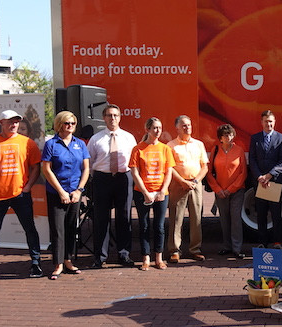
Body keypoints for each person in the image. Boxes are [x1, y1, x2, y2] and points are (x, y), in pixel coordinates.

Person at [0, 110, 43, 283]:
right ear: (1, 123)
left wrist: (27, 187)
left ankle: (35, 263)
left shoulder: (28, 143)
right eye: (10, 122)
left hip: (21, 194)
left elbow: (36, 167)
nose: (14, 125)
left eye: (17, 122)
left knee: (30, 229)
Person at [86, 104, 138, 269]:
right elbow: (90, 161)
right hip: (102, 179)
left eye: (115, 115)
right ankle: (100, 257)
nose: (112, 118)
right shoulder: (96, 139)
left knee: (124, 217)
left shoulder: (129, 138)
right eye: (109, 115)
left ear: (120, 117)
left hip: (124, 178)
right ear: (104, 118)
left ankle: (124, 254)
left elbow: (134, 161)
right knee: (101, 219)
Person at [40, 111, 90, 280]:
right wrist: (61, 191)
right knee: (57, 229)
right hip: (56, 193)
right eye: (67, 123)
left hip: (75, 193)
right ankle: (58, 264)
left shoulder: (80, 144)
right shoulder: (51, 144)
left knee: (71, 228)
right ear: (59, 124)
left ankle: (68, 260)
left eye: (73, 123)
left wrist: (79, 191)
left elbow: (86, 169)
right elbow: (46, 169)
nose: (70, 126)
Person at [129, 117, 175, 271]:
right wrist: (145, 192)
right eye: (154, 128)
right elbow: (134, 173)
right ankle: (146, 258)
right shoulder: (138, 149)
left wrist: (162, 190)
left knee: (160, 226)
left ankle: (159, 258)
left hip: (161, 193)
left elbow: (169, 172)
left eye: (160, 128)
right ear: (147, 129)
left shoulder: (165, 149)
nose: (157, 131)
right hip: (143, 193)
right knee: (144, 226)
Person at [167, 115, 208, 263]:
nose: (187, 127)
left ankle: (195, 249)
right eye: (184, 125)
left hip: (195, 184)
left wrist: (196, 181)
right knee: (176, 218)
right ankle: (174, 250)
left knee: (196, 218)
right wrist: (183, 181)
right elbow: (170, 168)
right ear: (177, 127)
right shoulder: (171, 146)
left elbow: (205, 166)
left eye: (189, 125)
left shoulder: (199, 144)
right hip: (178, 185)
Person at [206, 124, 247, 259]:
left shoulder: (239, 150)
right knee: (224, 219)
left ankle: (237, 248)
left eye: (230, 134)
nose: (227, 137)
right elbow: (209, 172)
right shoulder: (215, 150)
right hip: (220, 192)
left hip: (236, 191)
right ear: (220, 138)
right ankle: (226, 246)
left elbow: (243, 173)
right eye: (224, 135)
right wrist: (218, 189)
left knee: (235, 219)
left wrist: (230, 190)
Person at [249, 110, 282, 249]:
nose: (268, 124)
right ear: (262, 123)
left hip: (274, 182)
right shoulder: (255, 138)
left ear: (274, 122)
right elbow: (252, 159)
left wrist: (269, 175)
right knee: (261, 214)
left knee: (276, 214)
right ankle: (262, 242)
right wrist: (259, 176)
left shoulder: (281, 138)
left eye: (271, 121)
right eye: (266, 121)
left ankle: (277, 242)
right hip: (260, 182)